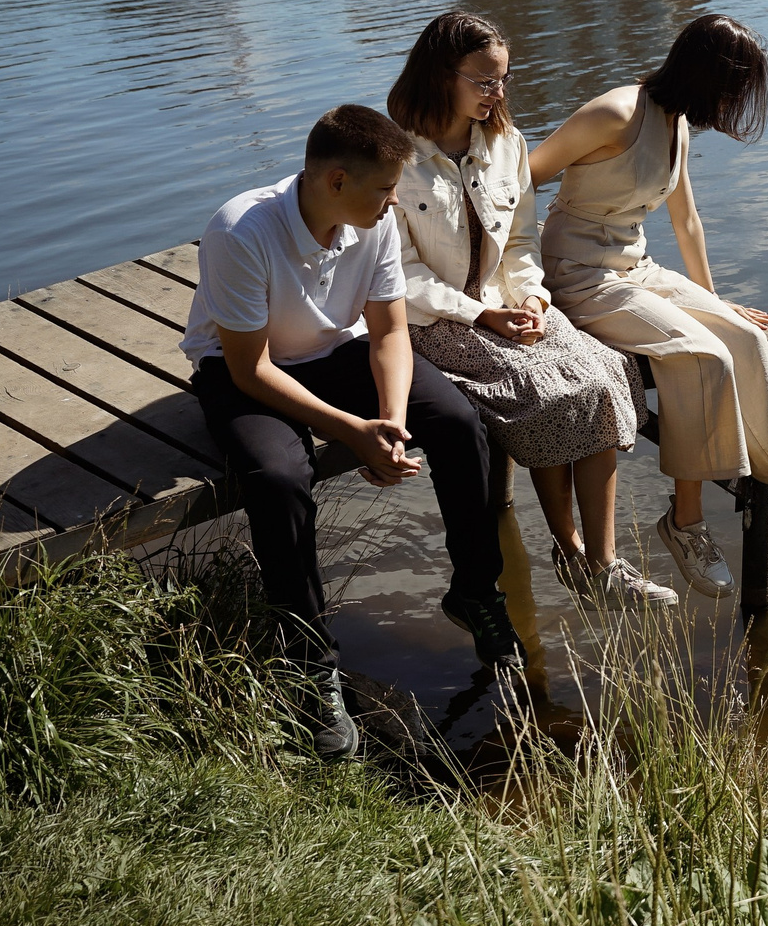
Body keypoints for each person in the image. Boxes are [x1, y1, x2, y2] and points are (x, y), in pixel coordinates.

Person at [180, 104, 519, 759]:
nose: (395, 204)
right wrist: (349, 431)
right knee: (280, 476)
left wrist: (389, 420)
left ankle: (476, 590)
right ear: (336, 180)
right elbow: (249, 368)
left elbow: (389, 332)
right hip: (246, 370)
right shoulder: (241, 230)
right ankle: (310, 666)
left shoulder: (374, 221)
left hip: (338, 351)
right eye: (385, 189)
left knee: (454, 420)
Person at [529, 14, 768, 598]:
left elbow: (687, 221)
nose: (737, 101)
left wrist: (713, 300)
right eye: (735, 86)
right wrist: (512, 283)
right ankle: (685, 522)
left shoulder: (673, 123)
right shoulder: (616, 113)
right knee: (702, 356)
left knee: (743, 339)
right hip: (578, 274)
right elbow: (520, 181)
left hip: (635, 267)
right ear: (707, 76)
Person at [385, 13, 678, 610]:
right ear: (443, 75)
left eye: (503, 80)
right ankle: (570, 549)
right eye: (484, 81)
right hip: (435, 320)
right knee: (545, 390)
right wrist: (478, 314)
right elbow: (398, 274)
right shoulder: (394, 156)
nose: (498, 95)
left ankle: (602, 563)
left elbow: (519, 241)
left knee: (603, 374)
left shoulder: (505, 144)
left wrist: (532, 298)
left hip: (505, 303)